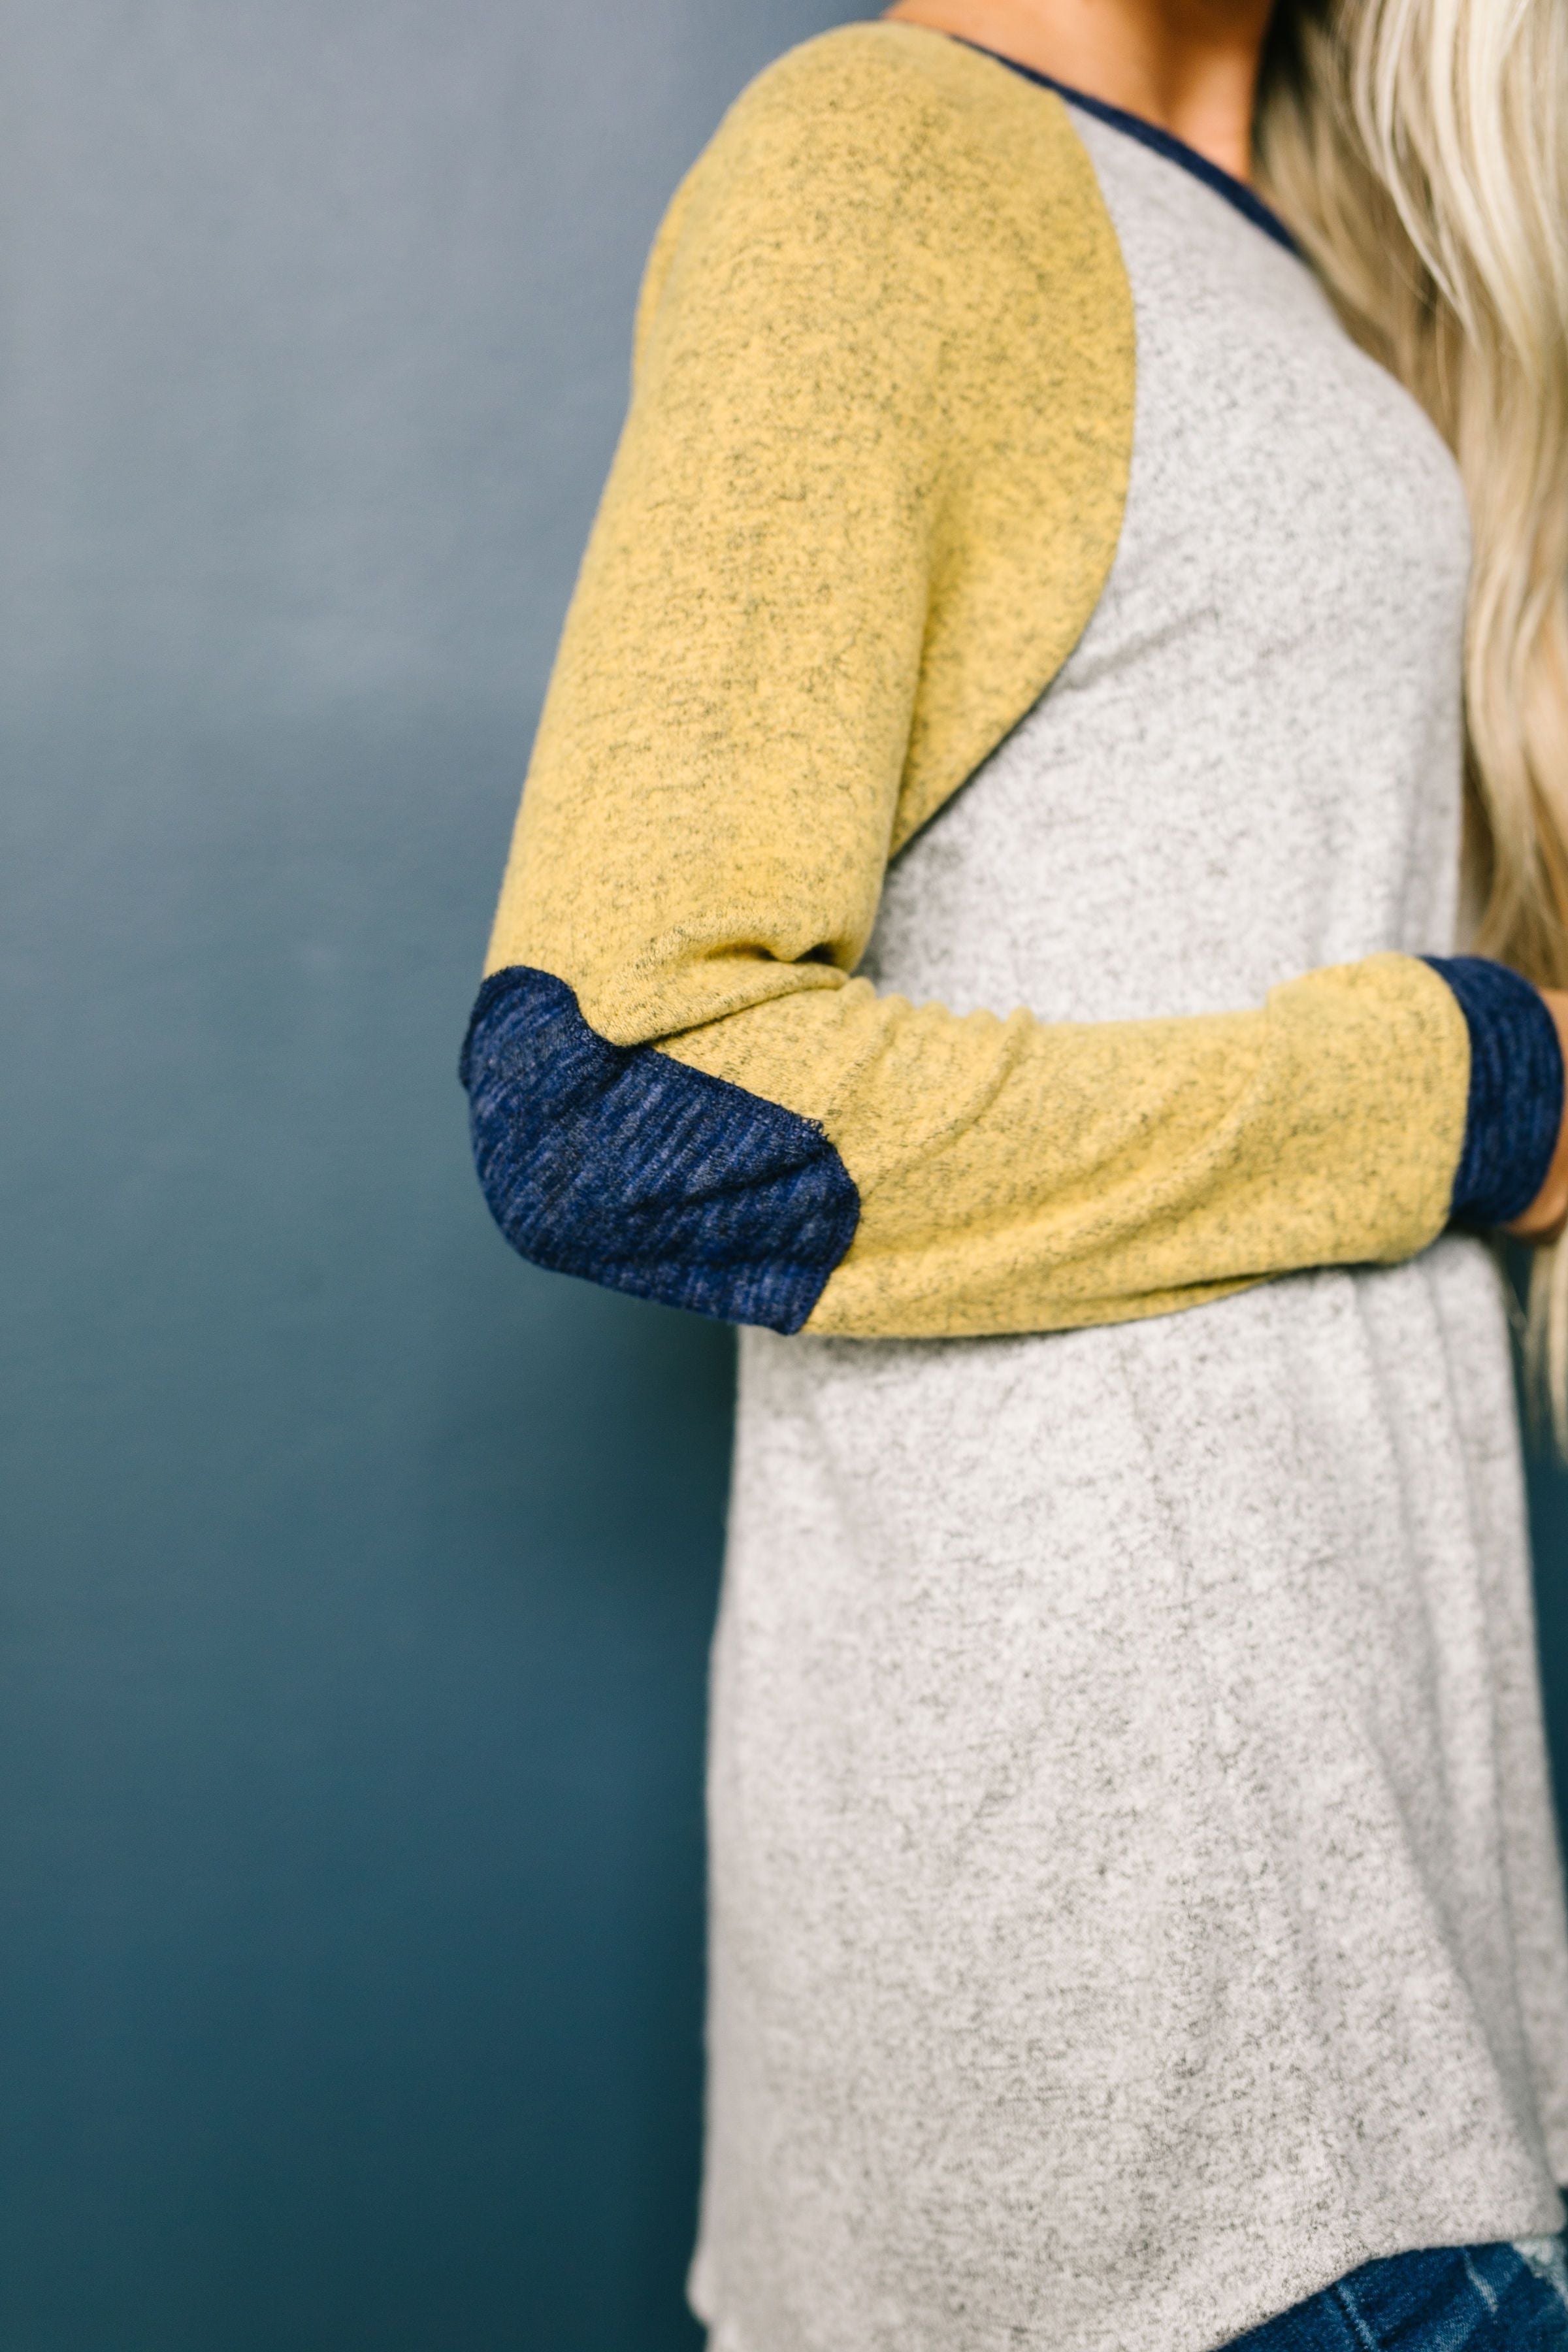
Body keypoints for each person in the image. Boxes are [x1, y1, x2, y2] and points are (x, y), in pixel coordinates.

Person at [462, 0, 1568, 2342]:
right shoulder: (884, 157)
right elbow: (621, 1098)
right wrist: (1466, 1099)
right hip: (1147, 2023)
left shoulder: (1313, 253)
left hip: (1375, 1947)